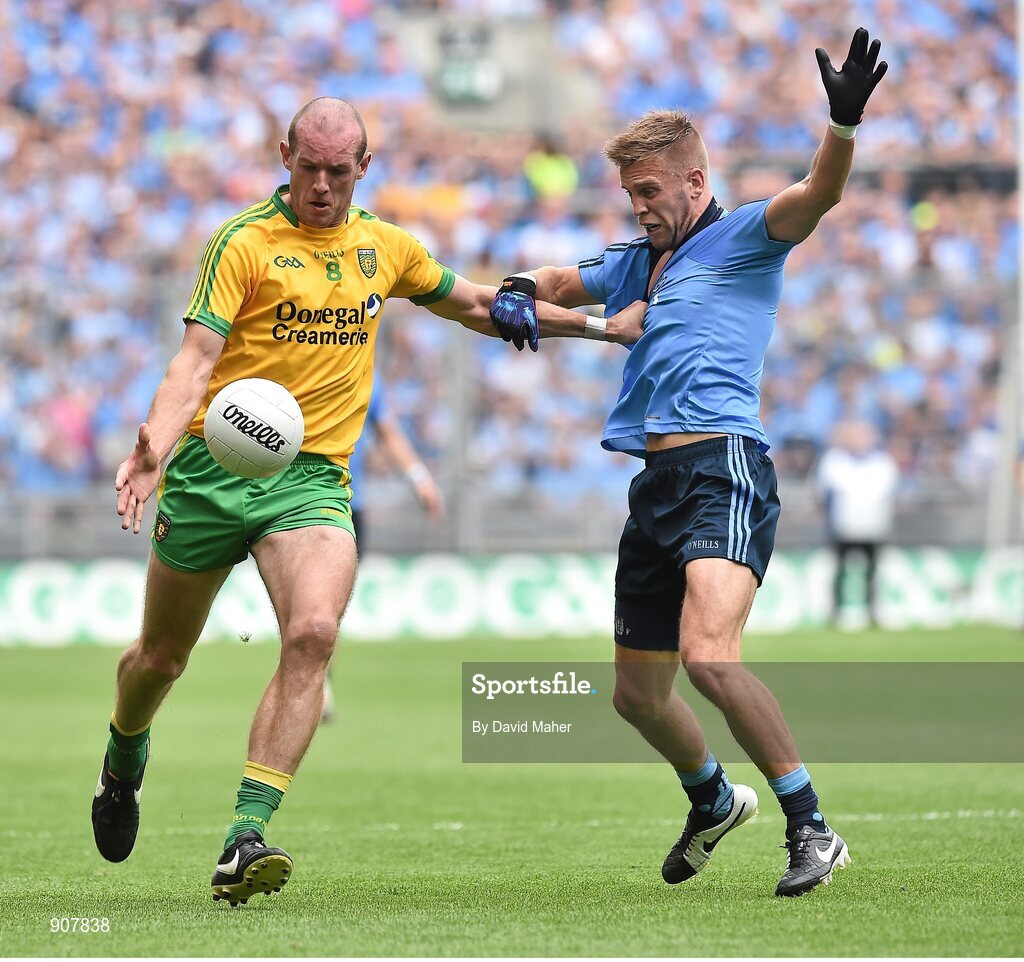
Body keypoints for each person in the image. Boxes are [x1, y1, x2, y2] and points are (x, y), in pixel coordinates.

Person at [90, 96, 646, 907]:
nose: (321, 185)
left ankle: (247, 833)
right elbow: (196, 357)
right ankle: (123, 755)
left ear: (364, 168)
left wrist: (601, 330)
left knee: (313, 633)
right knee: (159, 660)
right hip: (211, 472)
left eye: (338, 171)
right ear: (284, 154)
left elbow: (485, 305)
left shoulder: (383, 248)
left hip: (311, 480)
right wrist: (155, 444)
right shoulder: (242, 244)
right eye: (308, 168)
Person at [489, 29, 887, 897]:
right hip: (656, 486)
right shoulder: (639, 261)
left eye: (648, 189)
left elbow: (818, 193)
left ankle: (812, 825)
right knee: (636, 697)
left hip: (724, 467)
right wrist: (520, 290)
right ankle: (712, 799)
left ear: (695, 182)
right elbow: (549, 281)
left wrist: (843, 123)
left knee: (711, 657)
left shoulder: (746, 236)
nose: (636, 205)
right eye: (630, 192)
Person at [320, 383, 443, 724]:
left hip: (345, 502)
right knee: (307, 604)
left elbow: (388, 432)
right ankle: (313, 682)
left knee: (329, 608)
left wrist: (420, 478)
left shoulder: (363, 375)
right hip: (289, 498)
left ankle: (319, 683)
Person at [817, 421, 899, 626]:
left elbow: (889, 495)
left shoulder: (883, 463)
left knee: (871, 572)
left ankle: (872, 612)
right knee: (840, 570)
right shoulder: (834, 461)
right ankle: (835, 613)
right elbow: (824, 495)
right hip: (844, 527)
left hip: (873, 527)